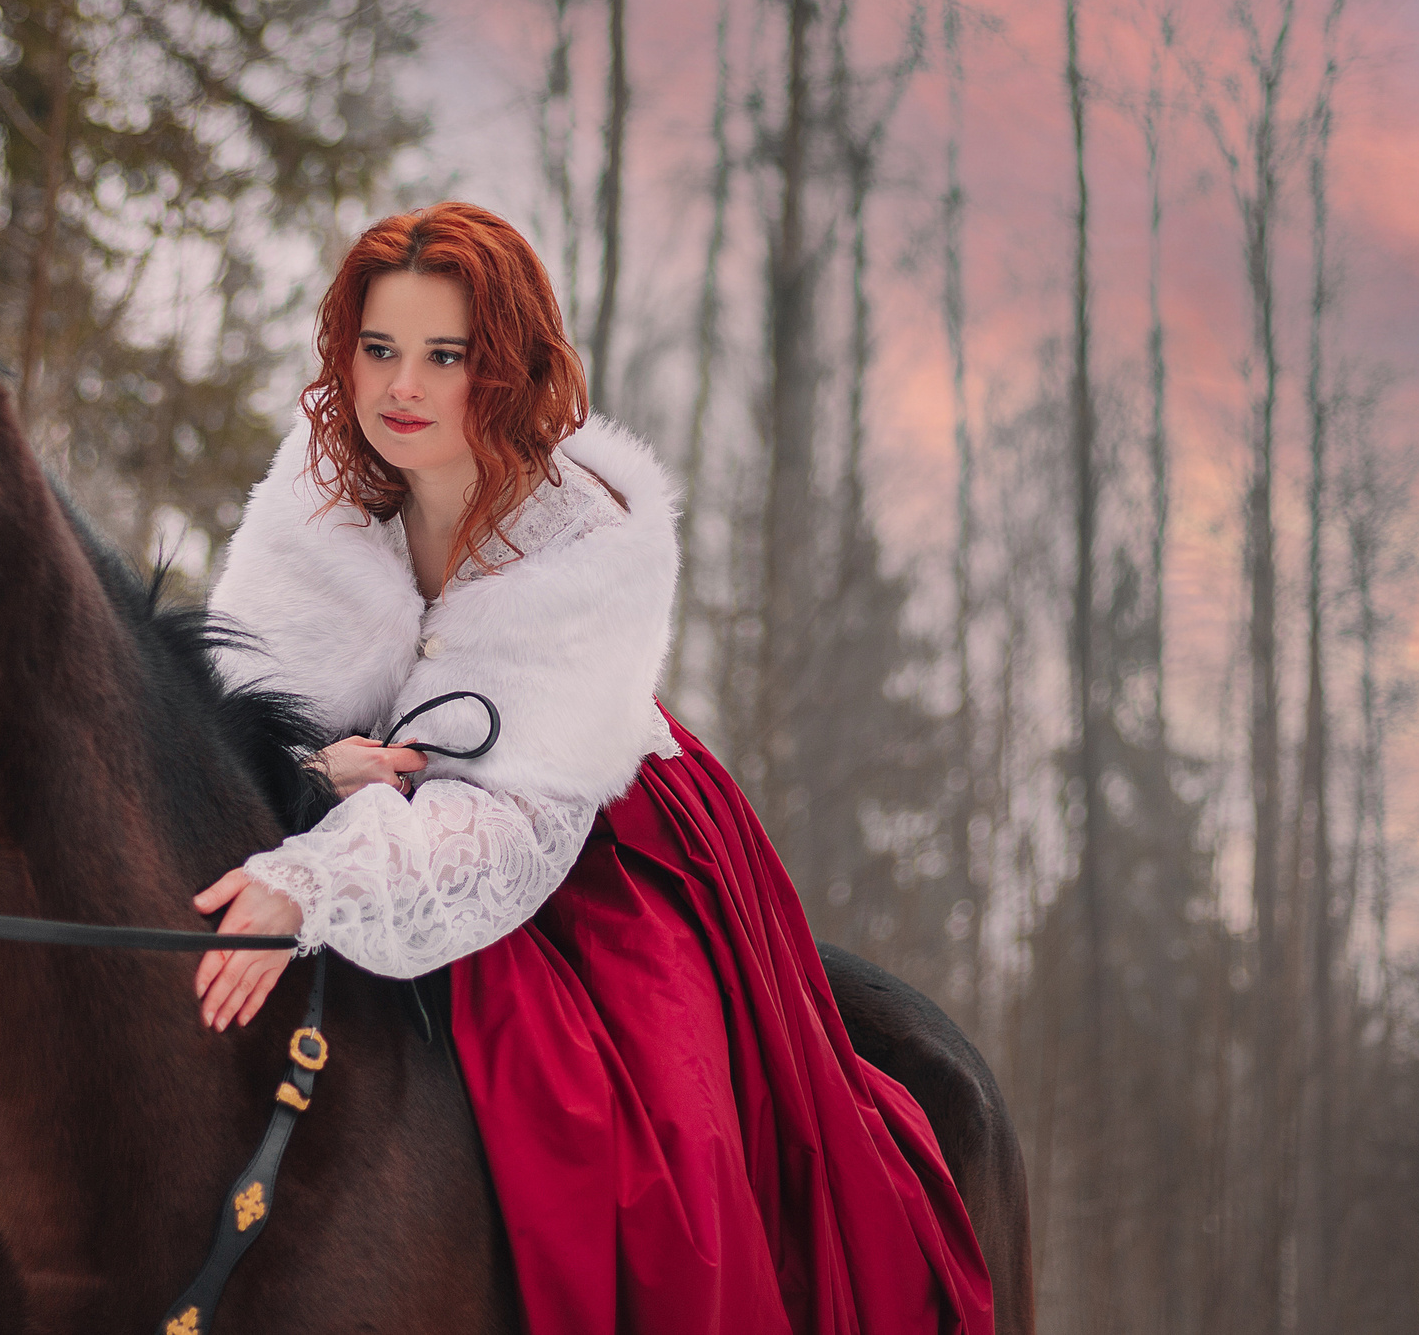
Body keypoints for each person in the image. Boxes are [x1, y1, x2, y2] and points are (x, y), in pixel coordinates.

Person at [192, 201, 997, 1333]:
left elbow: (513, 820)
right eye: (378, 349)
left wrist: (315, 880)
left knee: (672, 1139)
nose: (401, 387)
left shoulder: (592, 531)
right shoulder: (316, 487)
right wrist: (318, 771)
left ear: (505, 367)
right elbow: (242, 706)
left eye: (444, 355)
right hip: (376, 810)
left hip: (592, 832)